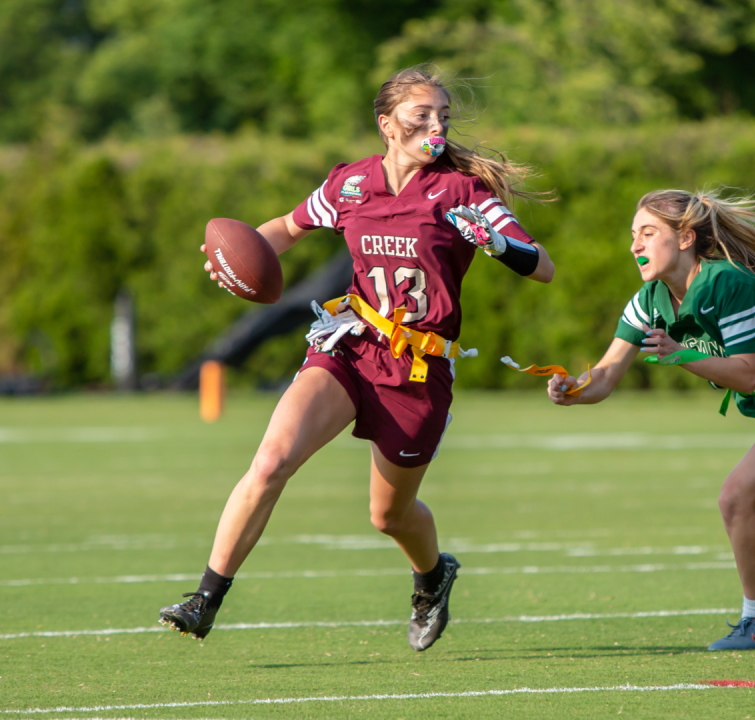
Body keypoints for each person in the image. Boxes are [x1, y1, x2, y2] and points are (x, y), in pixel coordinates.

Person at [159, 65, 555, 652]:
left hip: (418, 369)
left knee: (388, 516)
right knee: (270, 461)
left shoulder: (462, 189)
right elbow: (287, 229)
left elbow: (541, 265)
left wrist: (498, 243)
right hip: (351, 343)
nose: (436, 125)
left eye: (443, 115)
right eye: (422, 114)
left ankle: (431, 576)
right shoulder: (350, 184)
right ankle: (205, 597)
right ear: (386, 124)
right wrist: (230, 257)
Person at [545, 187, 755, 651]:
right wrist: (575, 389)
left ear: (685, 237)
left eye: (648, 233)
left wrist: (678, 355)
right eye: (633, 235)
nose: (635, 245)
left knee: (735, 498)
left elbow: (746, 375)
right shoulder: (650, 300)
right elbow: (605, 376)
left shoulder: (728, 284)